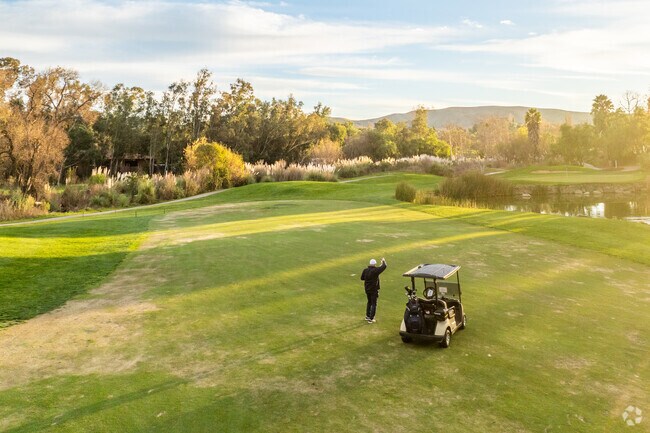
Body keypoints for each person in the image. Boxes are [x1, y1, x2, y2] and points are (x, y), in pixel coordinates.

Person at [361, 257, 386, 323]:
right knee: (374, 303)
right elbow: (384, 266)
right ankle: (371, 318)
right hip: (374, 289)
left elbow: (362, 278)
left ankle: (367, 316)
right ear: (375, 264)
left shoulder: (365, 270)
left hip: (367, 289)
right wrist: (383, 261)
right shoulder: (375, 271)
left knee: (369, 302)